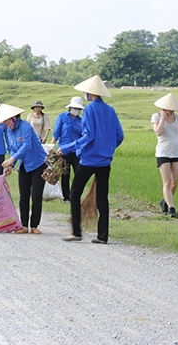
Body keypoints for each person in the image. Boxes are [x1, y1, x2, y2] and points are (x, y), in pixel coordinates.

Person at [64, 75, 124, 244]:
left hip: (89, 159)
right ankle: (102, 235)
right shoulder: (110, 110)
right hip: (105, 161)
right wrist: (109, 148)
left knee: (74, 192)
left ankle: (76, 231)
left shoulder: (90, 109)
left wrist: (69, 147)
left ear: (90, 93)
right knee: (102, 197)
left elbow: (88, 135)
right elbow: (120, 136)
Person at [0, 103, 48, 234]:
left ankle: (34, 225)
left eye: (6, 120)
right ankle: (23, 225)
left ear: (13, 117)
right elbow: (13, 148)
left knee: (36, 195)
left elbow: (27, 146)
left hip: (38, 163)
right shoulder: (8, 131)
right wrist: (11, 165)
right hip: (24, 164)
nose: (6, 123)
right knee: (23, 195)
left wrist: (12, 160)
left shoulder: (25, 126)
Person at [151, 93, 178, 218]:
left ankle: (164, 202)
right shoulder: (156, 116)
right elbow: (158, 132)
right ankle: (171, 208)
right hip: (164, 152)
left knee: (175, 183)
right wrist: (162, 118)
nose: (172, 110)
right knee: (167, 181)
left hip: (177, 152)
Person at [50, 96, 84, 202]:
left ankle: (75, 194)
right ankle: (66, 197)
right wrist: (51, 147)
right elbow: (56, 133)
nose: (76, 110)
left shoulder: (81, 121)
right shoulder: (62, 117)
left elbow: (83, 136)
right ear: (70, 107)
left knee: (79, 173)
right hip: (63, 151)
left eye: (78, 109)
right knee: (65, 174)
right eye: (75, 108)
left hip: (76, 151)